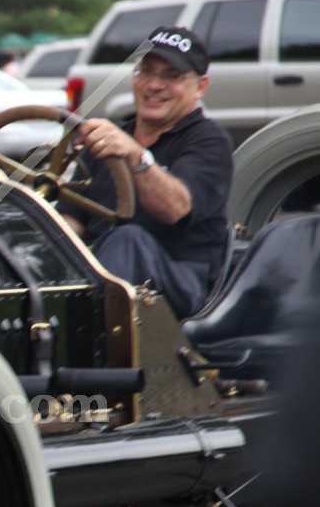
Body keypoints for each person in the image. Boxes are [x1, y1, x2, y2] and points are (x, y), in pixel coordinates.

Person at [59, 26, 233, 319]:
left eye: (172, 76)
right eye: (147, 71)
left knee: (128, 239)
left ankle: (80, 325)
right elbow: (71, 217)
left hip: (180, 282)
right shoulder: (108, 139)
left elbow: (174, 208)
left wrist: (136, 156)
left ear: (200, 87)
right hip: (98, 269)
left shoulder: (209, 142)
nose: (154, 85)